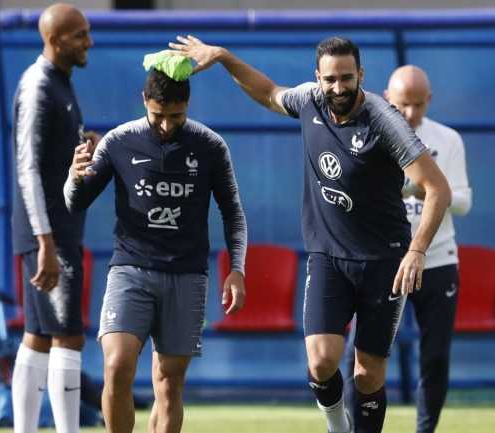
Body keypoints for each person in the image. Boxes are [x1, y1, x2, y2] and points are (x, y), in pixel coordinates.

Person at [169, 36, 450, 433]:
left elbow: (438, 189)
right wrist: (223, 57)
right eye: (330, 79)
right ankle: (337, 427)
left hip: (384, 261)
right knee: (320, 362)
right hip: (328, 257)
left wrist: (417, 251)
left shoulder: (385, 119)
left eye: (347, 78)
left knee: (368, 375)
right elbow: (267, 92)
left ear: (361, 76)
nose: (338, 88)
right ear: (317, 78)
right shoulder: (309, 101)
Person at [63, 53, 247, 433]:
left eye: (175, 117)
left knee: (169, 381)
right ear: (144, 100)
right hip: (130, 269)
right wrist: (74, 177)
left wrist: (237, 270)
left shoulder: (210, 146)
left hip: (187, 274)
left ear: (188, 106)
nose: (166, 125)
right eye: (158, 115)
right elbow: (74, 203)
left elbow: (233, 213)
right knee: (116, 365)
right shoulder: (118, 141)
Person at [346, 65, 473, 433]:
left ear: (429, 100)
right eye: (403, 104)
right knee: (363, 353)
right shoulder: (367, 135)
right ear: (388, 98)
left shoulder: (448, 140)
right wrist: (406, 187)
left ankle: (425, 429)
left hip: (437, 260)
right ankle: (352, 426)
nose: (411, 114)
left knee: (434, 356)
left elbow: (463, 201)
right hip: (385, 261)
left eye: (418, 105)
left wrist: (432, 190)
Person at [10, 4, 95, 433]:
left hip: (55, 230)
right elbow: (27, 167)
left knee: (38, 336)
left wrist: (81, 149)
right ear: (55, 40)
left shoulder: (61, 83)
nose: (88, 43)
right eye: (80, 35)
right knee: (69, 336)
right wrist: (45, 240)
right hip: (49, 233)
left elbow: (53, 159)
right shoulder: (38, 85)